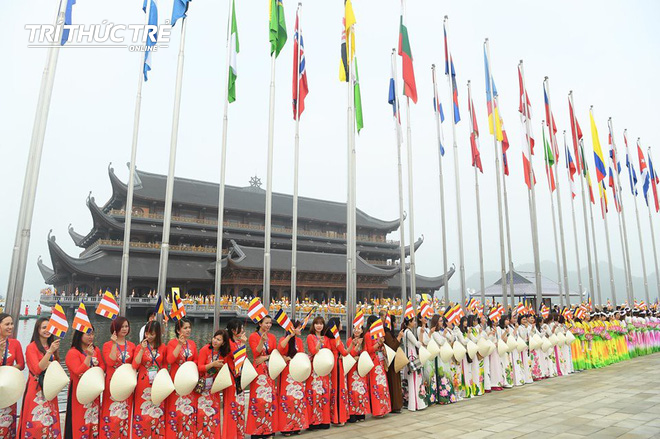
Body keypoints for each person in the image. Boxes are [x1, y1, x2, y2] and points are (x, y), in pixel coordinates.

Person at [18, 317, 62, 438]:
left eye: (49, 328)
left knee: (49, 419)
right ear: (37, 330)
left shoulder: (51, 345)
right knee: (35, 420)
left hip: (50, 388)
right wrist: (49, 353)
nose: (47, 330)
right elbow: (37, 369)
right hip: (36, 388)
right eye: (43, 327)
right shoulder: (31, 347)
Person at [64, 325, 104, 439]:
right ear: (79, 335)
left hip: (93, 392)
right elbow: (77, 371)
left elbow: (102, 366)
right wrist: (89, 357)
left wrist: (97, 370)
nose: (91, 337)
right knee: (79, 420)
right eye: (88, 334)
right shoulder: (73, 352)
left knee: (93, 420)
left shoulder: (96, 350)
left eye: (92, 333)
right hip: (78, 391)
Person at [100, 316, 136, 437]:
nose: (125, 329)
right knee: (111, 413)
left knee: (125, 413)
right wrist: (114, 344)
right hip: (112, 383)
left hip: (126, 384)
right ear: (115, 329)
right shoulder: (107, 345)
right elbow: (110, 362)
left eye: (126, 326)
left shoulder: (131, 345)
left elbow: (134, 364)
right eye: (122, 327)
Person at [132, 320, 167, 438]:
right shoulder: (139, 346)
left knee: (157, 410)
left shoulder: (162, 347)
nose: (149, 336)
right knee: (143, 410)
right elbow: (135, 365)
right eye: (147, 333)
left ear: (157, 334)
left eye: (152, 334)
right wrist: (142, 350)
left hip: (158, 382)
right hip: (143, 383)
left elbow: (165, 365)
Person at [166, 317, 198, 438]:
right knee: (176, 410)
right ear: (179, 331)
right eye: (185, 328)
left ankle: (187, 434)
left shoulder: (192, 344)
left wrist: (190, 367)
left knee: (188, 409)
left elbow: (196, 360)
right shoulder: (172, 343)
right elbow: (170, 360)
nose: (188, 330)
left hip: (188, 380)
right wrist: (179, 344)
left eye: (189, 327)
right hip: (176, 380)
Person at [246, 315, 278, 438]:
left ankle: (269, 430)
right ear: (260, 324)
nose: (268, 325)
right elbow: (255, 352)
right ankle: (257, 431)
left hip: (270, 369)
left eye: (270, 323)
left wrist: (266, 357)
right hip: (259, 371)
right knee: (258, 400)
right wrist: (261, 341)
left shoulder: (273, 337)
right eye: (266, 323)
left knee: (269, 400)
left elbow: (274, 353)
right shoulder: (254, 336)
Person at [197, 329, 231, 438]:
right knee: (202, 414)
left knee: (214, 413)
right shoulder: (205, 350)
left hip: (214, 387)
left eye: (218, 339)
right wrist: (212, 364)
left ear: (223, 343)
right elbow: (200, 368)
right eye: (214, 338)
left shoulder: (223, 354)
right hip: (203, 387)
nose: (215, 341)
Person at [277, 321, 308, 436]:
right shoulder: (283, 339)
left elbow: (302, 354)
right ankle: (286, 427)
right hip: (287, 371)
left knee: (298, 399)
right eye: (299, 328)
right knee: (287, 399)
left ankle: (297, 425)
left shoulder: (299, 341)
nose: (300, 330)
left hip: (297, 370)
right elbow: (280, 349)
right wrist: (290, 335)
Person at [0, 313, 25, 438]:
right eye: (7, 324)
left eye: (11, 324)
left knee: (8, 423)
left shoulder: (15, 343)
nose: (10, 327)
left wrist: (7, 370)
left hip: (8, 388)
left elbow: (21, 364)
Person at [306, 317, 331, 430]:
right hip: (314, 369)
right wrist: (319, 343)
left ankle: (324, 420)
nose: (319, 326)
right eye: (316, 323)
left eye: (321, 324)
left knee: (323, 394)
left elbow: (328, 351)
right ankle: (312, 421)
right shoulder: (310, 337)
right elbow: (313, 351)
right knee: (313, 394)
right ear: (313, 325)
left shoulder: (326, 338)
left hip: (323, 369)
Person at [324, 317, 350, 425]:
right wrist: (353, 344)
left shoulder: (327, 339)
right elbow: (344, 353)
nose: (341, 325)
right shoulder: (336, 339)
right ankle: (339, 417)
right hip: (338, 364)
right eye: (340, 323)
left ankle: (333, 416)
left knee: (333, 389)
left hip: (330, 363)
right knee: (339, 389)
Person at [364, 315, 391, 417]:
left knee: (383, 385)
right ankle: (377, 410)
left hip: (380, 361)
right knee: (376, 386)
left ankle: (384, 408)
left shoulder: (378, 334)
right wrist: (378, 344)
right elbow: (368, 349)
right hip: (374, 362)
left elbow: (380, 347)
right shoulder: (368, 335)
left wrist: (382, 346)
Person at [429, 314, 458, 404]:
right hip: (439, 357)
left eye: (442, 321)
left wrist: (450, 332)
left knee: (446, 374)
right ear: (436, 322)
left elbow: (451, 339)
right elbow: (441, 342)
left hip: (444, 355)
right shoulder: (434, 333)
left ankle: (448, 395)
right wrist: (444, 335)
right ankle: (442, 397)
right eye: (440, 321)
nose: (442, 323)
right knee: (442, 375)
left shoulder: (440, 332)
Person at [225, 319, 246, 439]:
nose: (242, 330)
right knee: (232, 407)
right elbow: (237, 357)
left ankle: (239, 434)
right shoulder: (229, 343)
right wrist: (243, 345)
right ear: (233, 330)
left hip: (240, 377)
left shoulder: (238, 342)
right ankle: (231, 434)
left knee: (240, 407)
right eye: (240, 328)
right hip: (232, 377)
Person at [401, 313, 426, 411]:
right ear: (409, 322)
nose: (415, 323)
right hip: (413, 357)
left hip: (409, 357)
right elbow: (418, 344)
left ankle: (411, 403)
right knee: (415, 379)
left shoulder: (405, 332)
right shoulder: (409, 332)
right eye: (413, 321)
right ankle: (416, 404)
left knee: (410, 380)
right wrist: (421, 334)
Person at [346, 323, 370, 422]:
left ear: (362, 330)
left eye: (359, 329)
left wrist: (359, 356)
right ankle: (352, 413)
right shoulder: (349, 341)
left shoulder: (364, 341)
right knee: (353, 391)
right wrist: (356, 345)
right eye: (355, 329)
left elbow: (366, 352)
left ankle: (361, 413)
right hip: (352, 368)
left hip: (361, 367)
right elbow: (351, 353)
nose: (356, 331)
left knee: (361, 390)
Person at [383, 314, 404, 412]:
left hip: (393, 361)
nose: (396, 324)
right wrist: (399, 337)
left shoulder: (389, 333)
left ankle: (396, 404)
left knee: (395, 383)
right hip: (390, 362)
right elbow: (392, 346)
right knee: (394, 383)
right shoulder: (387, 334)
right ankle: (395, 405)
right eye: (394, 322)